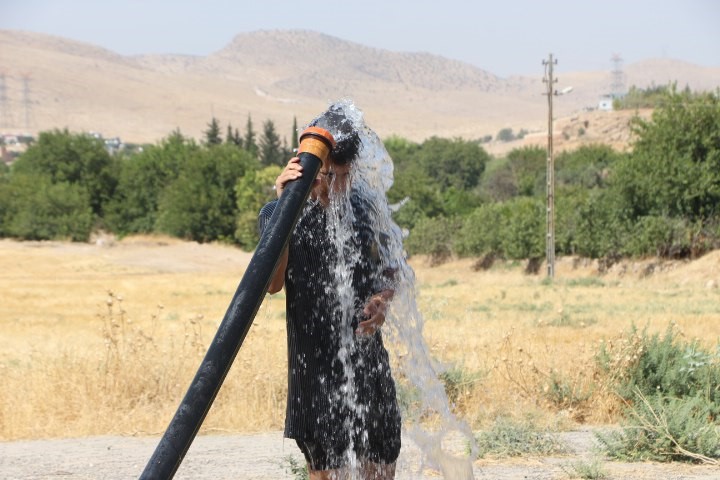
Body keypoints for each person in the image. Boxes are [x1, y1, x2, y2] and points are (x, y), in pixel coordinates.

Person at [258, 103, 401, 480]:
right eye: (323, 176)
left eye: (340, 176)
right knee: (330, 473)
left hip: (369, 364)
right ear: (302, 169)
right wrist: (285, 207)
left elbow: (391, 266)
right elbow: (271, 285)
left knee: (381, 469)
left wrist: (382, 301)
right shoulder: (277, 215)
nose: (332, 185)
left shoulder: (364, 208)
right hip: (314, 372)